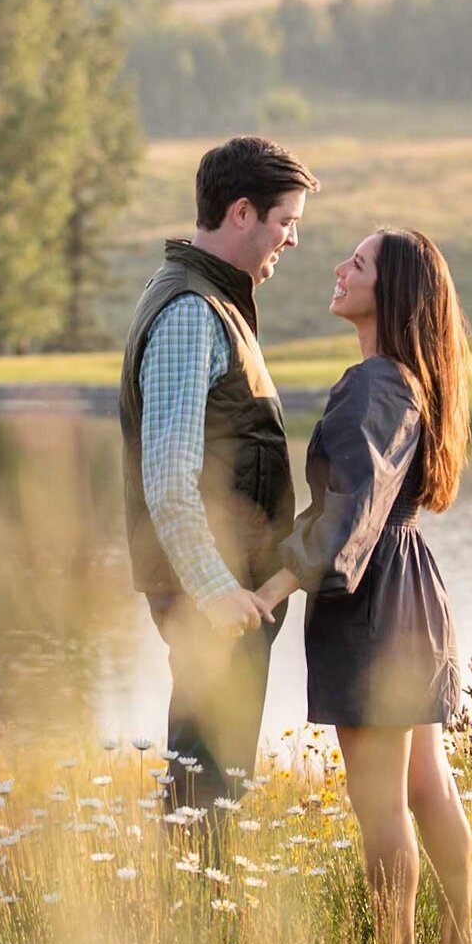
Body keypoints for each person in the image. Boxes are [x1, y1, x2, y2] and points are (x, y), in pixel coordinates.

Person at [253, 228, 472, 944]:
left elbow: (351, 509)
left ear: (390, 292)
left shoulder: (373, 384)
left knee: (381, 804)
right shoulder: (413, 381)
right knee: (428, 787)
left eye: (357, 264)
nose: (339, 269)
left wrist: (271, 584)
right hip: (413, 590)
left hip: (374, 606)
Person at [119, 135, 319, 819]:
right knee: (206, 793)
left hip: (231, 598)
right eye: (285, 222)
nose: (291, 240)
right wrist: (216, 592)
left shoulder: (211, 302)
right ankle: (195, 925)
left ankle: (196, 921)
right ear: (242, 214)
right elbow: (169, 477)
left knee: (214, 787)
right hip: (218, 604)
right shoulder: (190, 313)